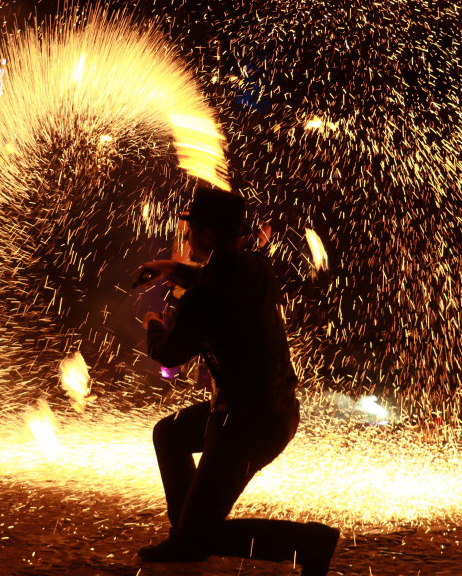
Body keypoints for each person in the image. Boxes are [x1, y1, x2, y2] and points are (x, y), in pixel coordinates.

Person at [133, 187, 338, 574]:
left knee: (203, 537)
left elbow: (170, 354)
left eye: (192, 230)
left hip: (245, 426)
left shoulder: (204, 295)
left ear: (208, 236)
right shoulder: (255, 268)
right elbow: (215, 280)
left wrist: (153, 323)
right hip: (269, 411)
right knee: (170, 434)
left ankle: (309, 541)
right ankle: (186, 534)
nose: (187, 237)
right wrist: (167, 267)